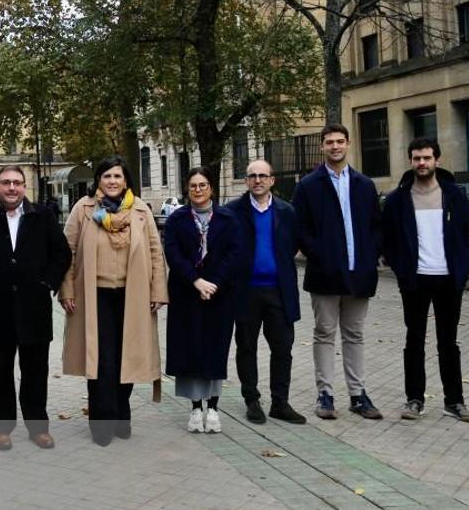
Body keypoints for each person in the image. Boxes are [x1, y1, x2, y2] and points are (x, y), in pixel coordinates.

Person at [0, 165, 71, 450]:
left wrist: (48, 283)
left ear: (24, 187)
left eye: (17, 183)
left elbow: (61, 253)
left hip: (34, 307)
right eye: (6, 183)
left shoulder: (43, 216)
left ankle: (38, 428)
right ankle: (0, 428)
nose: (12, 188)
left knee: (36, 370)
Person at [60, 156, 168, 446]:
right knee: (101, 359)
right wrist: (67, 289)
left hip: (133, 295)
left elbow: (156, 253)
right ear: (99, 181)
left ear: (126, 181)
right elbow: (66, 252)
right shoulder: (83, 210)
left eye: (117, 176)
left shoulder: (140, 210)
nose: (112, 181)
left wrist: (158, 290)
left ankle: (122, 412)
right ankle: (102, 419)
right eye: (106, 176)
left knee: (128, 357)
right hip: (94, 296)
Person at [382, 138, 469, 423]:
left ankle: (455, 402)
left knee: (448, 342)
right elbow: (388, 238)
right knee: (414, 341)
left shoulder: (453, 194)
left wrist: (462, 266)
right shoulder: (398, 199)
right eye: (416, 158)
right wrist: (401, 268)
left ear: (437, 159)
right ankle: (414, 400)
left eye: (426, 158)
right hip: (415, 280)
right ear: (410, 161)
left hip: (448, 280)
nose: (421, 163)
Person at [292, 124, 383, 420]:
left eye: (340, 141)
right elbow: (301, 229)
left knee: (354, 334)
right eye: (329, 142)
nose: (335, 146)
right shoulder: (308, 185)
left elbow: (375, 227)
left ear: (348, 144)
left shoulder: (364, 184)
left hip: (360, 272)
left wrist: (370, 258)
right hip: (325, 274)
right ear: (322, 146)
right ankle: (325, 394)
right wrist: (318, 255)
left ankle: (358, 394)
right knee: (324, 333)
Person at [224, 160, 307, 425]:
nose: (258, 180)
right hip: (245, 291)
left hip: (278, 291)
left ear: (272, 180)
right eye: (252, 176)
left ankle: (280, 402)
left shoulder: (287, 211)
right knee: (246, 347)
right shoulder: (232, 212)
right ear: (247, 181)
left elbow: (292, 246)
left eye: (263, 176)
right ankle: (252, 399)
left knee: (283, 348)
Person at [164, 168, 242, 434]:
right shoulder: (176, 220)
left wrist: (215, 283)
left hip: (219, 295)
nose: (198, 190)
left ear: (212, 188)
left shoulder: (228, 218)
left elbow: (235, 254)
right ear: (187, 189)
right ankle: (196, 407)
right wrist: (195, 281)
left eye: (203, 184)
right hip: (187, 293)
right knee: (191, 349)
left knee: (215, 348)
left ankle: (214, 408)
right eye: (193, 185)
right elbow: (172, 254)